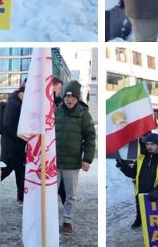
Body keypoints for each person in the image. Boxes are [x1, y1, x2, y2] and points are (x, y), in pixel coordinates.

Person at [54, 80, 95, 237]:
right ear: (64, 97)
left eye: (72, 97)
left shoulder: (83, 114)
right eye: (67, 97)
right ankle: (50, 220)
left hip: (72, 163)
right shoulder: (56, 112)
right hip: (54, 162)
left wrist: (87, 159)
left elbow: (90, 138)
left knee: (70, 194)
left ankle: (67, 221)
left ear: (78, 99)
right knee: (51, 194)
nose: (69, 100)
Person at [116, 132, 158, 229]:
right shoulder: (142, 157)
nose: (149, 147)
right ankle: (139, 219)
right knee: (141, 208)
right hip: (141, 192)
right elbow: (133, 174)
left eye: (152, 144)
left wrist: (157, 190)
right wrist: (122, 165)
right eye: (147, 144)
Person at [0, 84, 26, 205]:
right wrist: (20, 135)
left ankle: (22, 197)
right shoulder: (14, 104)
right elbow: (7, 125)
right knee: (5, 170)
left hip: (16, 145)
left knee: (20, 171)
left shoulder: (17, 102)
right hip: (11, 146)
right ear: (22, 93)